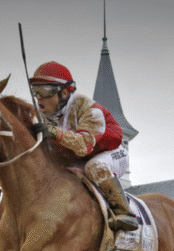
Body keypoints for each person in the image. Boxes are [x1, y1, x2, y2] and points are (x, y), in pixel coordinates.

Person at [28, 61, 139, 232]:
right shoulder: (44, 115)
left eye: (45, 90)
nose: (39, 97)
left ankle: (124, 212)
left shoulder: (90, 110)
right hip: (80, 158)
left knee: (95, 167)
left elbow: (83, 146)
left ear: (65, 92)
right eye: (35, 90)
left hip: (111, 154)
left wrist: (55, 133)